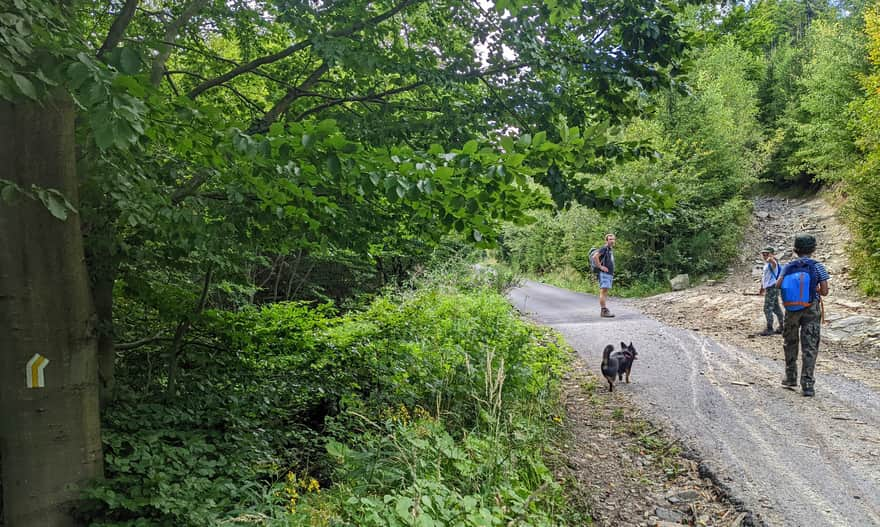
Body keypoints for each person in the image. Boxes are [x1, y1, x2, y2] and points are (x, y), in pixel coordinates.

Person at [776, 234, 830, 397]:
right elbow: (825, 291)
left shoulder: (788, 266)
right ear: (813, 249)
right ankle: (807, 384)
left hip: (792, 309)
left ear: (795, 250)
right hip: (811, 308)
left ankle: (790, 377)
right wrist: (813, 289)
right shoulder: (818, 266)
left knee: (790, 342)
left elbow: (778, 285)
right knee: (810, 345)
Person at [758, 246, 784, 336]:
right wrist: (762, 287)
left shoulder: (773, 263)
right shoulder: (766, 265)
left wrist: (771, 259)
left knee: (767, 308)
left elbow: (773, 263)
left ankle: (769, 328)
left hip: (772, 287)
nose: (765, 256)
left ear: (772, 254)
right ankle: (782, 326)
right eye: (763, 254)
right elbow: (765, 277)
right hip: (770, 287)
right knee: (776, 308)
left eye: (767, 254)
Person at [592, 233, 616, 318]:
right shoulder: (604, 248)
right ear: (606, 241)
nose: (612, 241)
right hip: (604, 274)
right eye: (610, 239)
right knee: (603, 291)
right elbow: (595, 256)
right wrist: (600, 267)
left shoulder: (609, 249)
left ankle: (604, 310)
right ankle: (604, 310)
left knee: (605, 292)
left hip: (608, 274)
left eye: (613, 239)